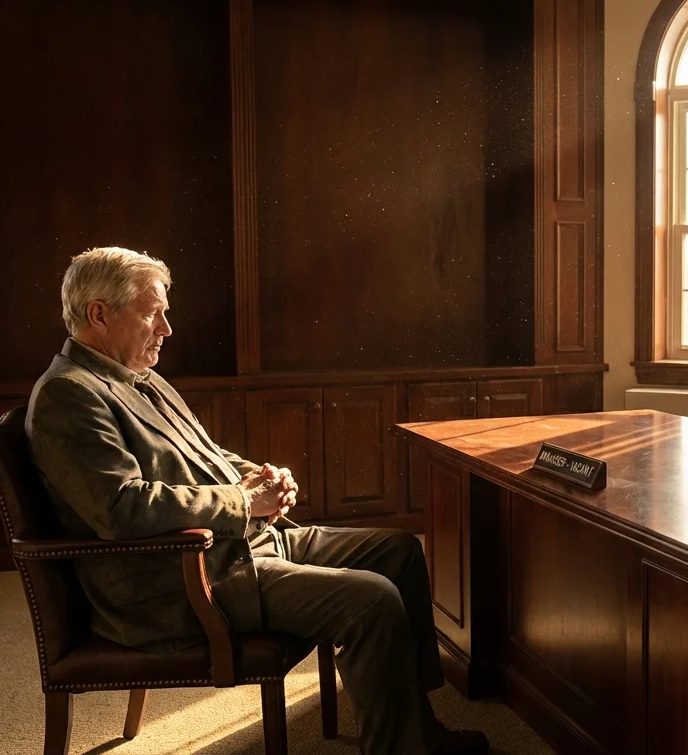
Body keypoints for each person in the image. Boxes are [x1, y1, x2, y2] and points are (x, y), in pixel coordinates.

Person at [26, 247, 487, 755]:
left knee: (397, 551)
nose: (166, 329)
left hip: (240, 545)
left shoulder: (136, 377)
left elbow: (204, 453)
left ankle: (411, 724)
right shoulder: (68, 394)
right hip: (185, 578)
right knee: (371, 599)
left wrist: (256, 475)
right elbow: (121, 507)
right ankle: (405, 749)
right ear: (98, 314)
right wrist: (244, 501)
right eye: (152, 313)